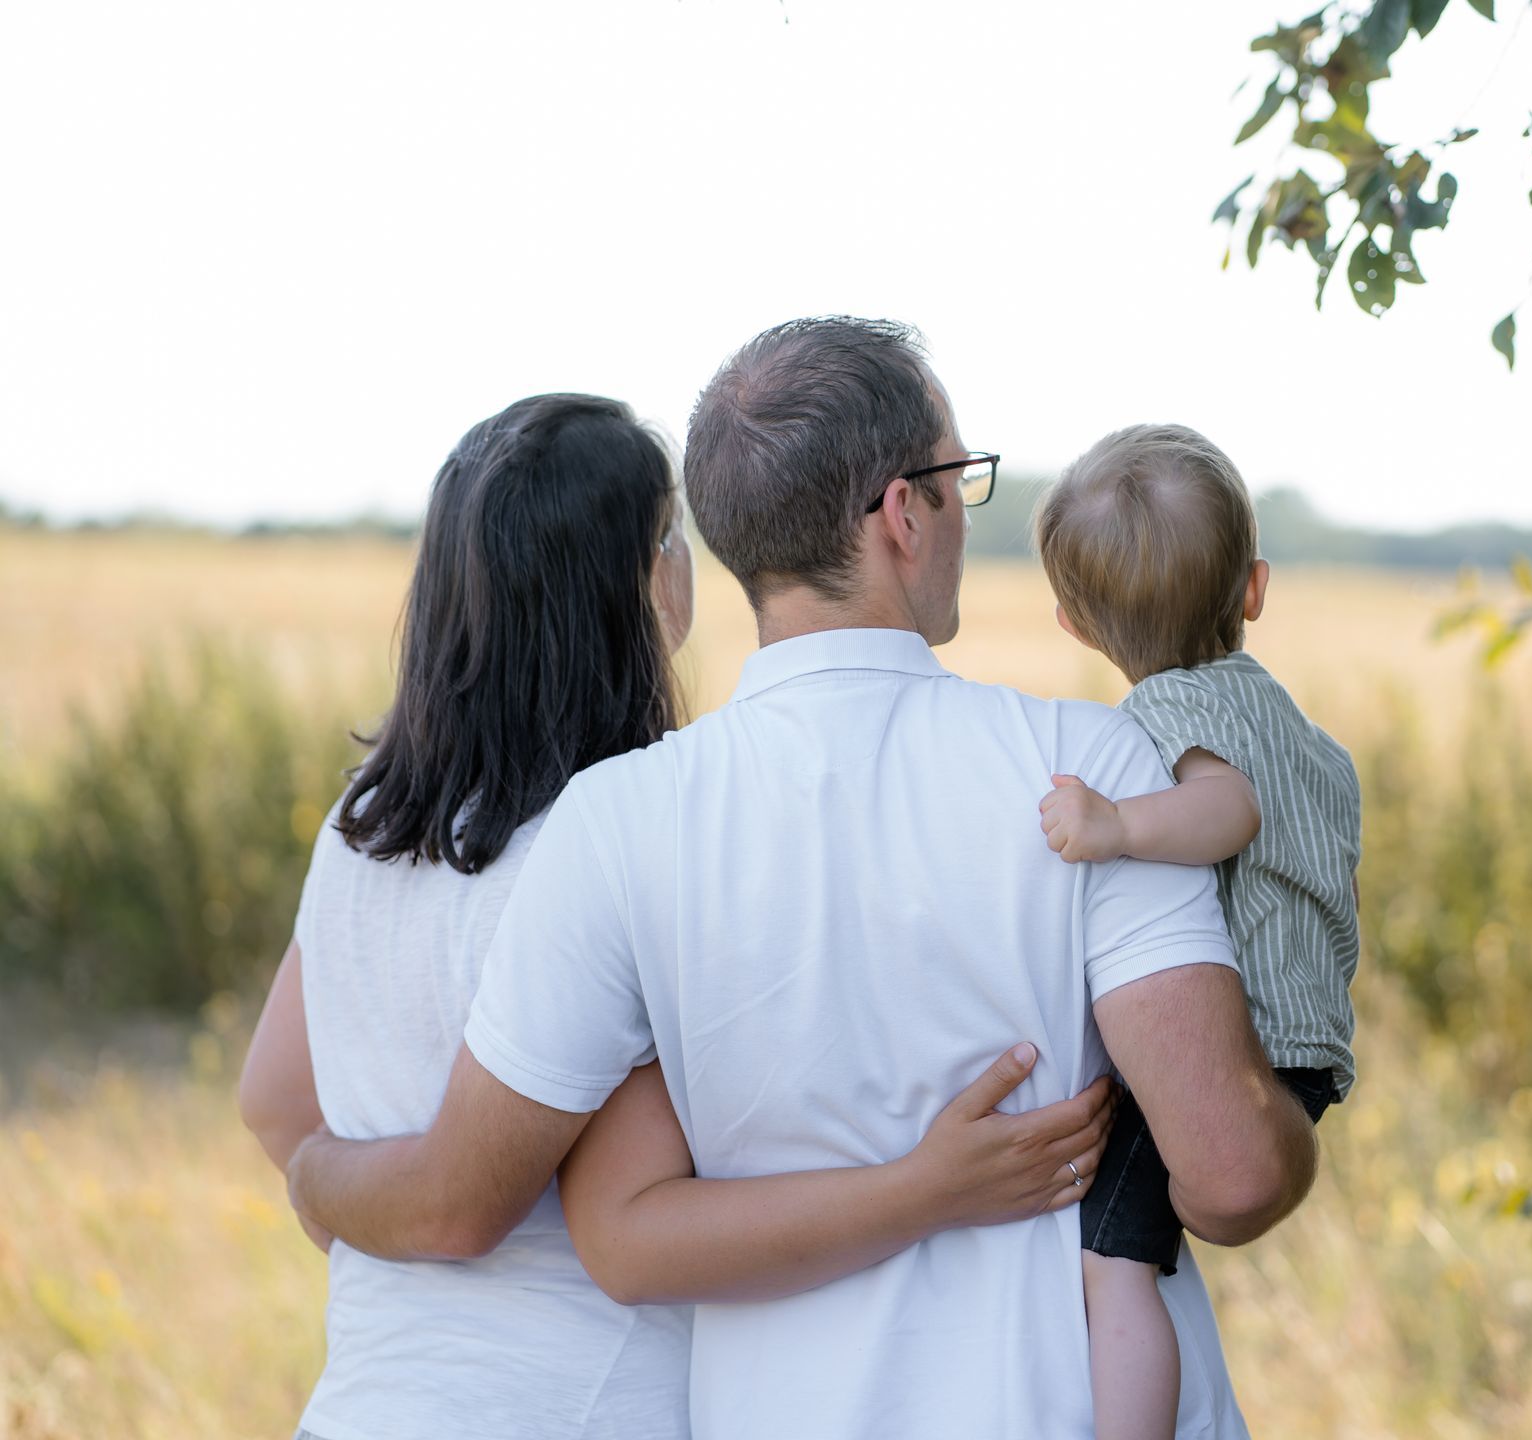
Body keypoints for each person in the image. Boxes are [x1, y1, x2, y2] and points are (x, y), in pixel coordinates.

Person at [284, 318, 1317, 1438]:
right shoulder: (1093, 771)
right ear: (901, 514)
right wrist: (1304, 1071)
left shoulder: (620, 820)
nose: (966, 516)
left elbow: (623, 1242)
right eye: (961, 480)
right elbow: (1233, 1178)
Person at [1034, 422, 1362, 1440]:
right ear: (1253, 589)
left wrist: (1118, 826)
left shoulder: (1170, 708)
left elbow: (1228, 813)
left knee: (1113, 1262)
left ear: (1075, 625)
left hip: (1237, 1044)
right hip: (1306, 1046)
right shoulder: (1306, 734)